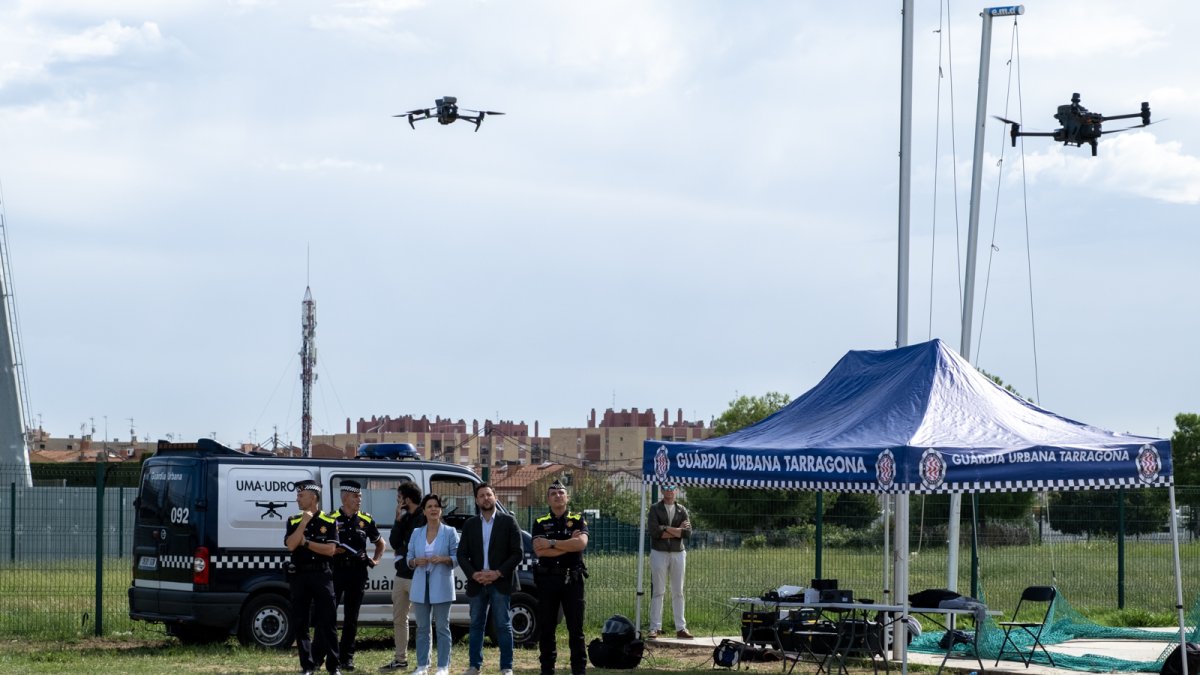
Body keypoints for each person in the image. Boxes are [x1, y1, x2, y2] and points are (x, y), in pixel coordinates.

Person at [456, 483, 523, 675]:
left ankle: (506, 667)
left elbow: (517, 553)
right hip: (477, 582)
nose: (486, 498)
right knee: (476, 624)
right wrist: (474, 574)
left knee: (503, 624)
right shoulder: (470, 524)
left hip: (500, 581)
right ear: (476, 500)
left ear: (495, 497)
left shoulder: (509, 521)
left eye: (488, 494)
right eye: (481, 496)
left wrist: (498, 573)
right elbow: (461, 554)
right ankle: (474, 666)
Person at [531, 480, 590, 675]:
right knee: (547, 628)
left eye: (561, 492)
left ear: (567, 497)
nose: (558, 495)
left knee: (576, 629)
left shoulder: (578, 519)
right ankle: (547, 669)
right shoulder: (540, 522)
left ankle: (579, 669)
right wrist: (567, 544)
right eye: (553, 493)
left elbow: (580, 545)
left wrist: (552, 543)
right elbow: (540, 552)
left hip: (572, 580)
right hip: (547, 580)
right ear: (548, 499)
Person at [284, 479, 342, 675]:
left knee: (328, 621)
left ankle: (334, 667)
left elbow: (330, 549)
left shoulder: (329, 521)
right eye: (297, 495)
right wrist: (304, 523)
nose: (297, 499)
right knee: (301, 622)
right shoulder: (293, 520)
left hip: (321, 574)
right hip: (299, 575)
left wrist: (306, 543)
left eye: (301, 495)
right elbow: (291, 544)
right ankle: (307, 666)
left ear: (313, 497)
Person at [331, 480, 386, 672]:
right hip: (336, 572)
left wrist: (376, 560)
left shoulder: (366, 520)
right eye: (356, 496)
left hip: (357, 573)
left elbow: (380, 543)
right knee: (329, 616)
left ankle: (346, 658)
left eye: (360, 496)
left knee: (351, 618)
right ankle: (330, 656)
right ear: (345, 497)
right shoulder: (331, 519)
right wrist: (332, 551)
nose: (359, 500)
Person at [407, 493, 460, 675]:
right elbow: (408, 558)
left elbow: (457, 558)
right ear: (424, 511)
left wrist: (444, 559)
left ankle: (443, 666)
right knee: (422, 628)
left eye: (436, 506)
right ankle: (422, 665)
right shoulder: (416, 533)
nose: (433, 509)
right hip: (421, 585)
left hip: (442, 585)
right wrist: (415, 562)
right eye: (429, 506)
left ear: (441, 509)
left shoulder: (450, 532)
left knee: (443, 627)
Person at [380, 482, 425, 673]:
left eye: (399, 498)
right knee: (399, 618)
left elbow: (416, 545)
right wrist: (397, 520)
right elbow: (394, 541)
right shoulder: (404, 517)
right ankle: (400, 659)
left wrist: (402, 555)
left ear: (407, 498)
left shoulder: (423, 517)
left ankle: (424, 662)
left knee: (423, 620)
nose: (397, 502)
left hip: (418, 575)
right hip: (402, 576)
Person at [646, 483, 693, 639]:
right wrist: (676, 530)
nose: (669, 491)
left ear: (676, 491)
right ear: (662, 491)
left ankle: (681, 628)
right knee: (658, 590)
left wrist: (665, 528)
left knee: (678, 591)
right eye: (666, 488)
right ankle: (655, 627)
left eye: (672, 489)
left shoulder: (682, 509)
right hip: (659, 552)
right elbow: (654, 532)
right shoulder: (654, 508)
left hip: (678, 553)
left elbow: (687, 533)